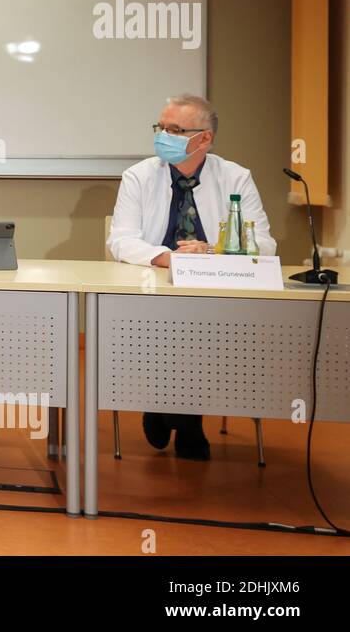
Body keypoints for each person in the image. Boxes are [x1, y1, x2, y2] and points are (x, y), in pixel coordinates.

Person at [107, 93, 276, 460]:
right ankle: (181, 418)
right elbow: (120, 241)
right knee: (168, 325)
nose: (163, 136)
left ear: (205, 139)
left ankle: (173, 412)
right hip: (154, 289)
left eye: (175, 129)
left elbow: (264, 243)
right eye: (161, 128)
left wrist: (212, 252)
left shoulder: (236, 177)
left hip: (215, 292)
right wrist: (168, 258)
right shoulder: (138, 176)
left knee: (201, 327)